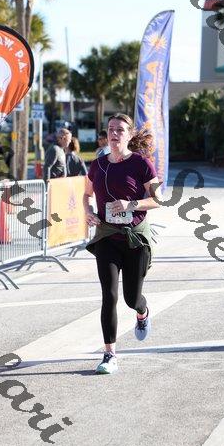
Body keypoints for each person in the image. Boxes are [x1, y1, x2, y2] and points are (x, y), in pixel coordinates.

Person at [84, 112, 162, 374]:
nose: (114, 133)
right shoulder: (98, 165)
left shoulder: (141, 164)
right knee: (109, 296)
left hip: (135, 238)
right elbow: (86, 195)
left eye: (120, 129)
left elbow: (158, 200)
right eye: (110, 129)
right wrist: (88, 211)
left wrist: (132, 204)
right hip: (107, 236)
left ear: (129, 135)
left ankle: (143, 312)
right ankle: (109, 355)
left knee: (131, 298)